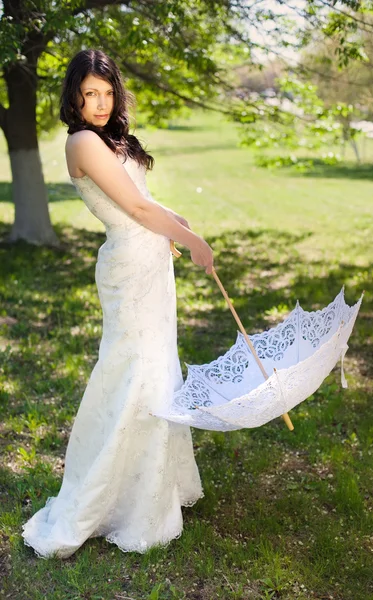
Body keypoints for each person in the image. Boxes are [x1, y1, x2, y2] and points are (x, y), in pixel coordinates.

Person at [21, 49, 214, 559]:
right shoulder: (82, 140)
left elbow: (143, 197)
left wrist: (178, 224)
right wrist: (192, 242)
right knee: (136, 373)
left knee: (156, 369)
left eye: (107, 93)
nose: (100, 103)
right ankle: (118, 499)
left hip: (149, 257)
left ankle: (152, 488)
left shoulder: (108, 138)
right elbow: (132, 207)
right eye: (90, 94)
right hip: (130, 264)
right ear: (75, 98)